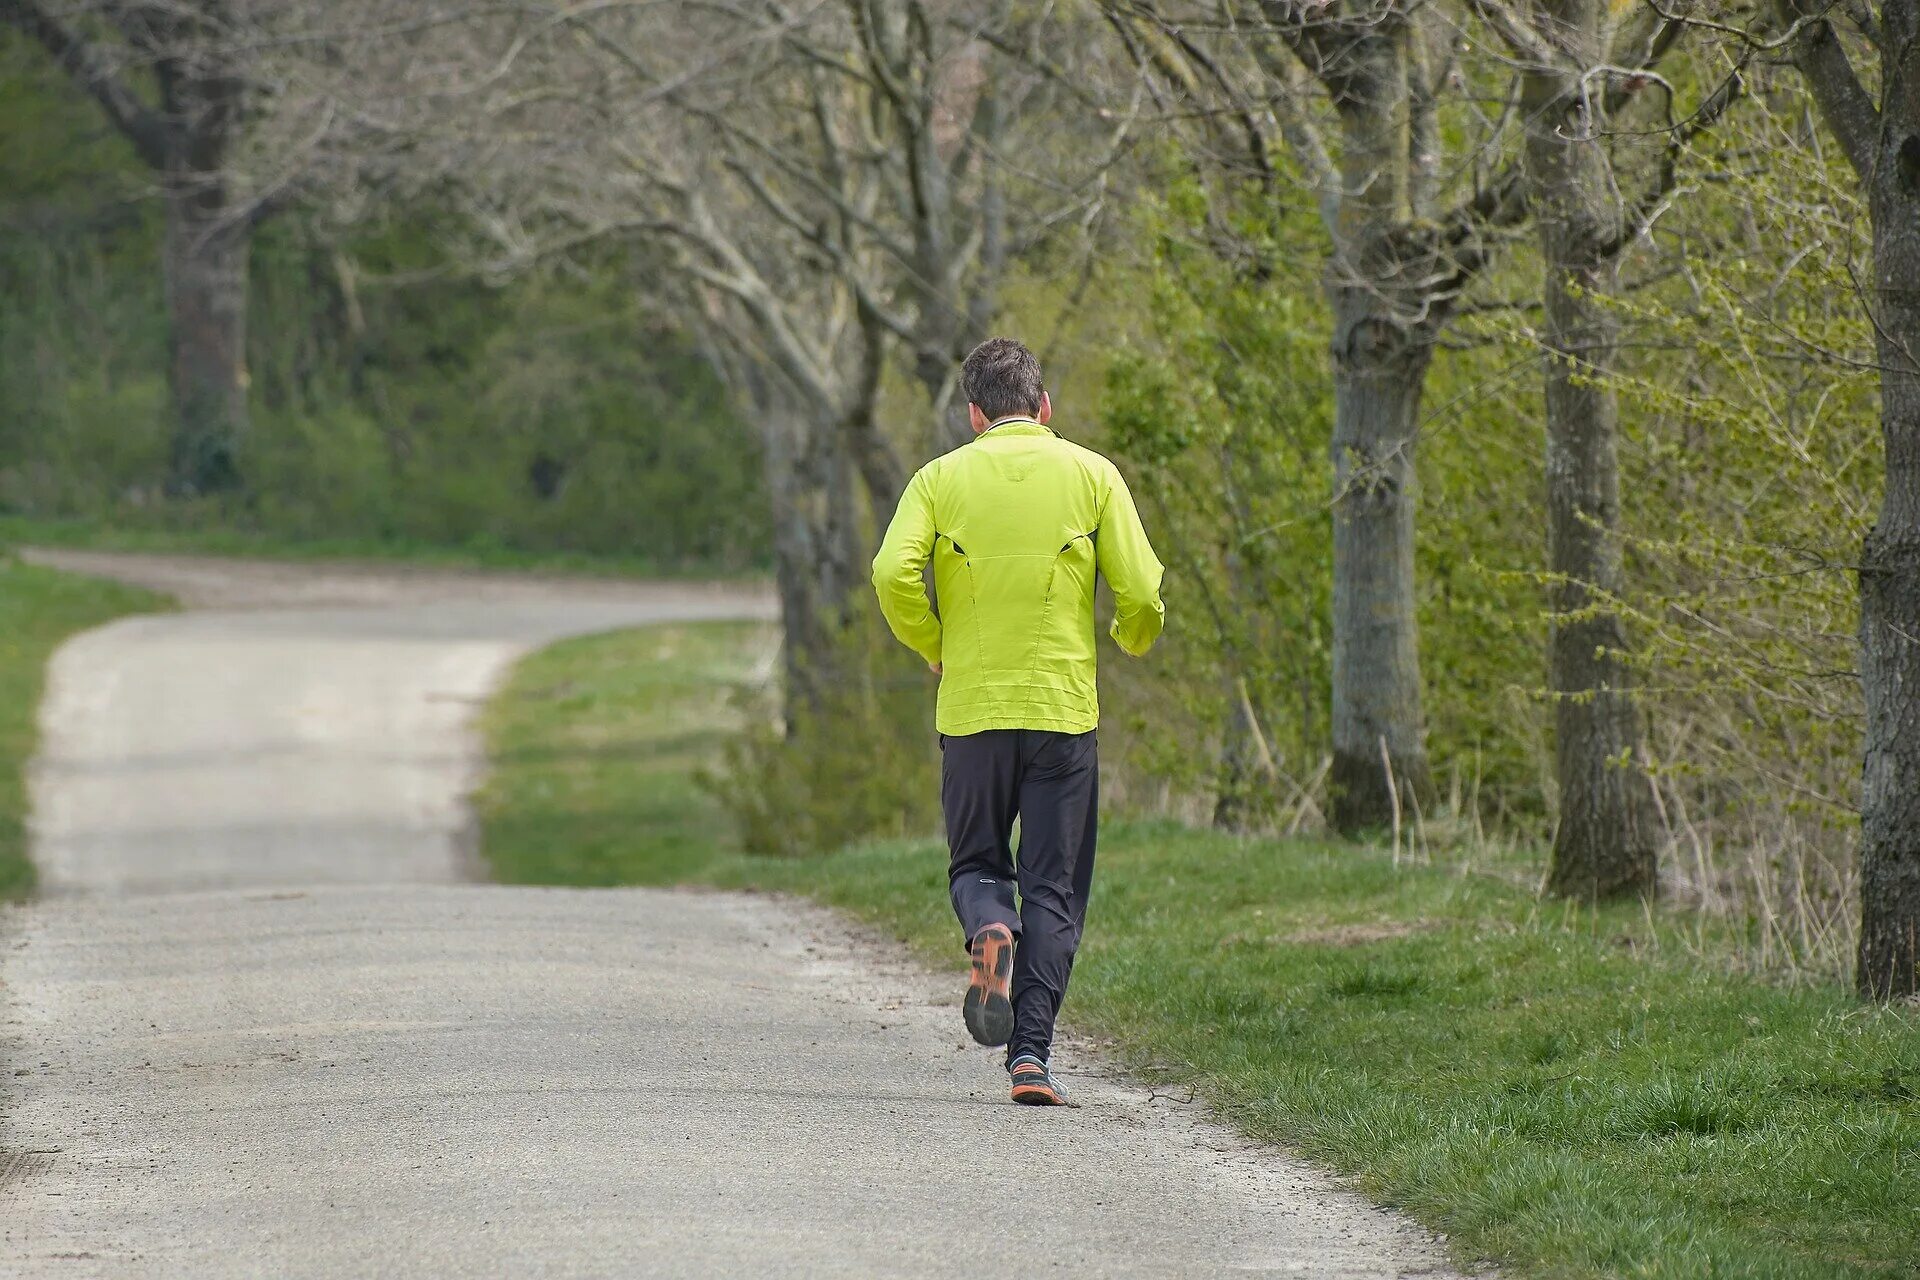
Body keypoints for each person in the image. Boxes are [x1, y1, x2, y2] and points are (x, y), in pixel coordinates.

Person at [871, 337, 1165, 1107]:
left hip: (972, 710)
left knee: (977, 865)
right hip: (1062, 713)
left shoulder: (939, 479)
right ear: (1044, 407)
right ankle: (1030, 1057)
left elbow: (889, 571)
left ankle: (989, 928)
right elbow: (1140, 589)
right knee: (1055, 889)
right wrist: (1131, 636)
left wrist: (934, 645)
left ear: (974, 415)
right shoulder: (1093, 474)